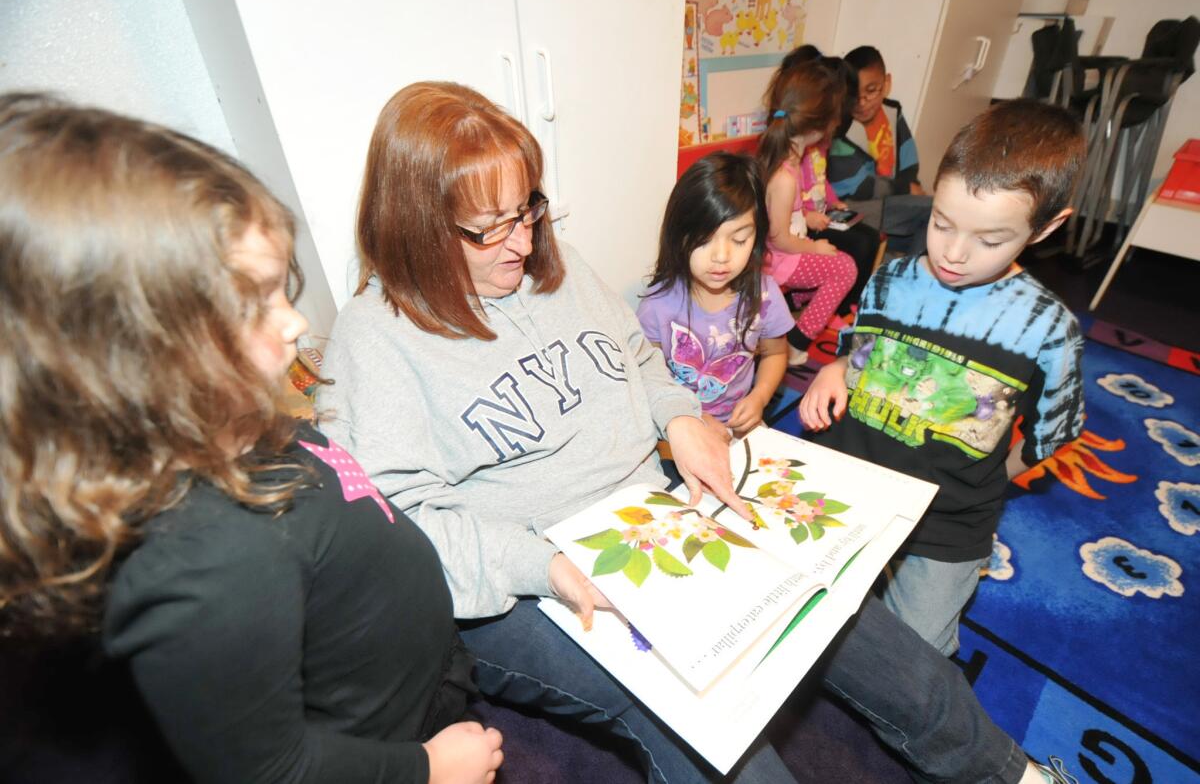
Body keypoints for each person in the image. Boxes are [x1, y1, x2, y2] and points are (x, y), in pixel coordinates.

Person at [316, 80, 1078, 784]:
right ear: (416, 225)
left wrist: (681, 418)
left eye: (528, 210)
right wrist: (547, 566)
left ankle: (1012, 773)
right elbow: (403, 525)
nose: (521, 241)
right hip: (521, 582)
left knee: (829, 609)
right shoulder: (374, 339)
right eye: (490, 228)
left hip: (647, 516)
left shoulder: (553, 262)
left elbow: (640, 358)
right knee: (701, 718)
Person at [0, 93, 503, 784]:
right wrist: (427, 768)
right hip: (387, 738)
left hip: (403, 670)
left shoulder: (219, 420)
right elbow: (271, 769)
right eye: (254, 302)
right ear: (122, 356)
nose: (295, 323)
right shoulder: (205, 566)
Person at [799, 99, 1087, 658]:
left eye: (990, 239)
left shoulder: (1049, 330)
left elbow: (1055, 433)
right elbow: (857, 349)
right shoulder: (891, 278)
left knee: (912, 659)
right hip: (850, 482)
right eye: (941, 223)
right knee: (805, 605)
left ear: (1047, 227)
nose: (953, 253)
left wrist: (982, 478)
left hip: (948, 518)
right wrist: (835, 368)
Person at [637, 152, 792, 439]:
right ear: (678, 237)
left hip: (738, 424)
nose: (722, 257)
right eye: (705, 241)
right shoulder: (657, 305)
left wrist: (759, 398)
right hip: (678, 428)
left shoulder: (765, 294)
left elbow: (776, 353)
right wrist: (693, 421)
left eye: (739, 240)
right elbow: (648, 380)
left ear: (756, 238)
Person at [757, 62, 862, 368]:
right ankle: (795, 342)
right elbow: (778, 238)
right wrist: (814, 247)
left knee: (833, 263)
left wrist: (809, 219)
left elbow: (789, 216)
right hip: (779, 259)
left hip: (786, 254)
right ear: (818, 126)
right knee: (844, 268)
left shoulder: (790, 161)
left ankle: (784, 318)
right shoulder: (785, 175)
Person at [829, 45, 933, 253]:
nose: (862, 102)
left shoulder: (892, 112)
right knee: (932, 211)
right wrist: (904, 190)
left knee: (935, 225)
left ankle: (905, 271)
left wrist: (911, 187)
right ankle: (906, 275)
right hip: (854, 207)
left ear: (886, 84)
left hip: (890, 202)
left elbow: (909, 159)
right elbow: (859, 188)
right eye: (853, 94)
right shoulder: (839, 129)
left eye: (871, 91)